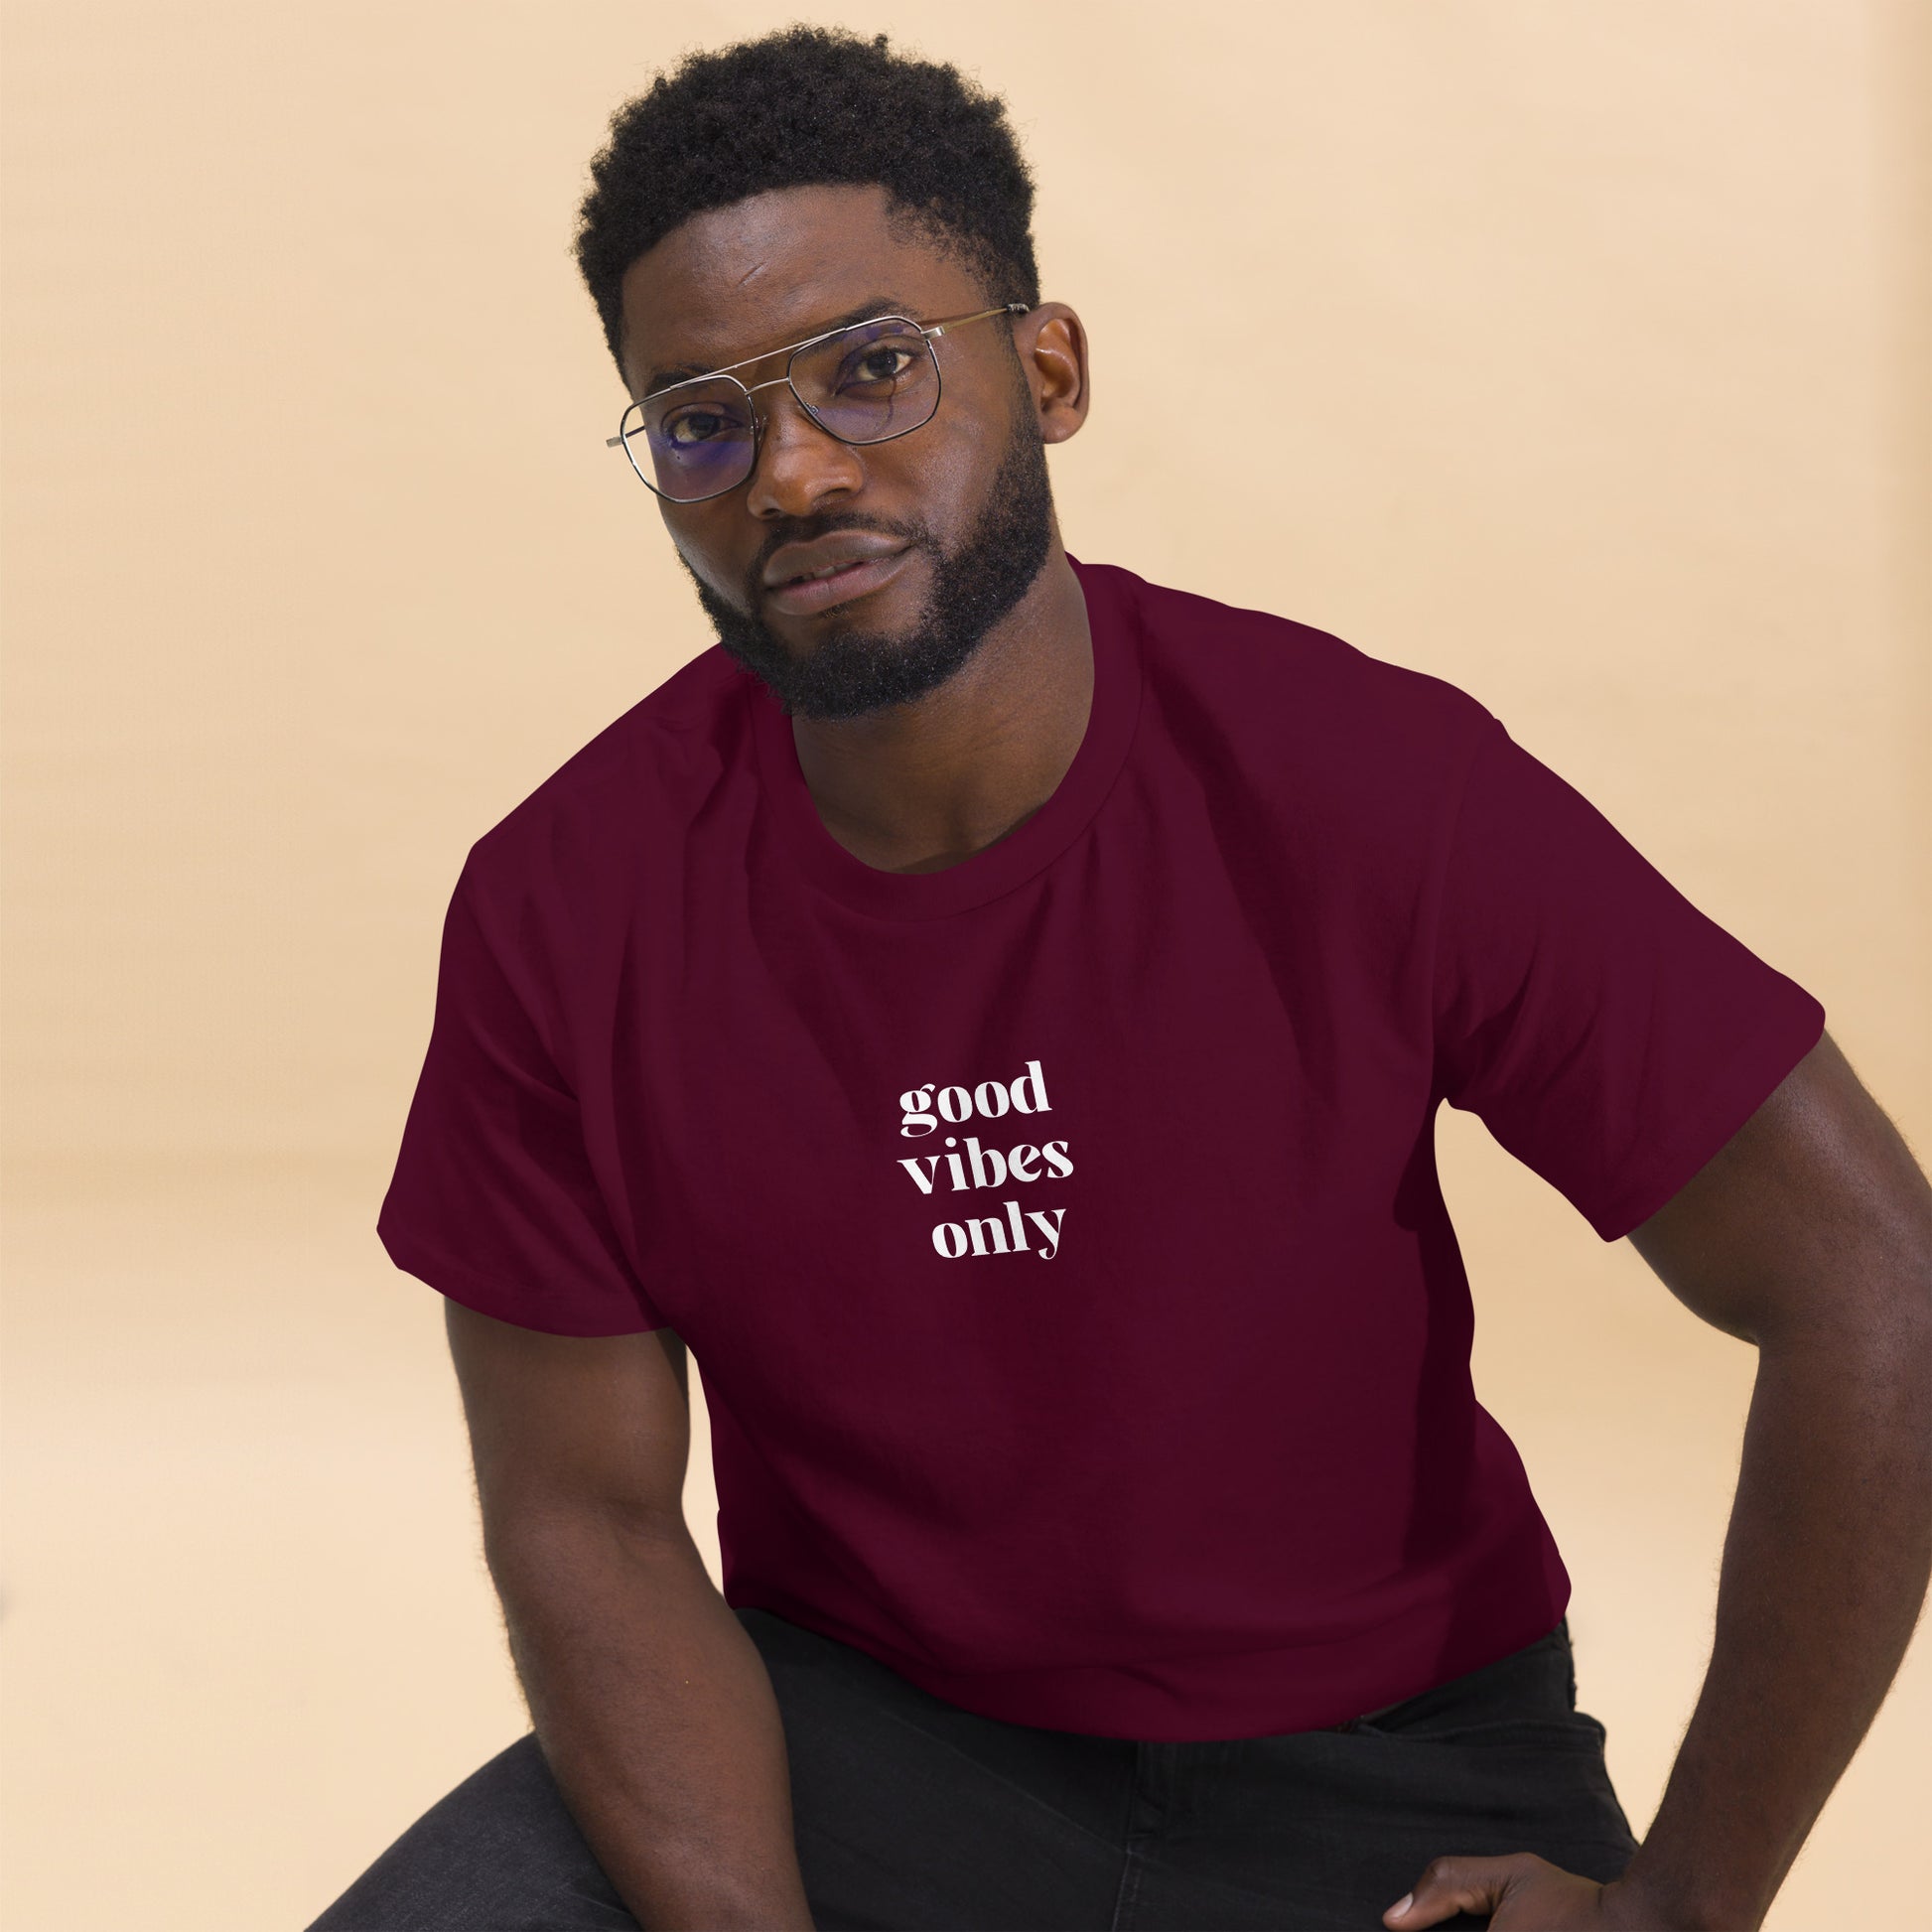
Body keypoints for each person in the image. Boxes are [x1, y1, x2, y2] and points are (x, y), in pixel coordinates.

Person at [308, 26, 1932, 1932]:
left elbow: (1872, 1285)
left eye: (872, 368)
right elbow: (581, 1509)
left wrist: (1683, 1906)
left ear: (1047, 368)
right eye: (700, 422)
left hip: (1385, 1774)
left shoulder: (1362, 784)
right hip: (859, 1745)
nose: (794, 471)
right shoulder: (561, 904)